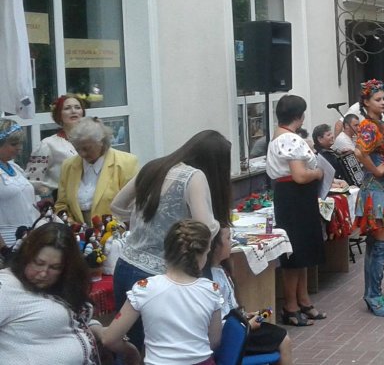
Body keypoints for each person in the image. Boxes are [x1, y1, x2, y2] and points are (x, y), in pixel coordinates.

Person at [110, 130, 232, 349]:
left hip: (126, 265)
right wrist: (217, 225)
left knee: (131, 344)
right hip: (160, 274)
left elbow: (117, 206)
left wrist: (143, 221)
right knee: (162, 346)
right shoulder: (195, 176)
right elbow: (205, 227)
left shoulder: (153, 167)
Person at [0, 222, 139, 364]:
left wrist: (100, 331)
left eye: (55, 267)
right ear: (26, 256)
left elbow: (73, 321)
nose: (43, 273)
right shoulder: (6, 285)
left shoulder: (61, 285)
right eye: (38, 263)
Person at [100, 219, 223, 365]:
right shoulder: (211, 290)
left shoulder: (144, 289)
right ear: (201, 255)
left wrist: (131, 351)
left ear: (166, 251)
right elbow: (214, 340)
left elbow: (109, 339)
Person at [267, 95, 327, 326]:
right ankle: (290, 306)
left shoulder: (280, 136)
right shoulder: (289, 138)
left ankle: (304, 300)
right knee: (294, 254)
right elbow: (300, 175)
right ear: (299, 116)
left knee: (302, 253)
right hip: (294, 198)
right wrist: (318, 173)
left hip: (295, 198)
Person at [208, 227, 293, 363]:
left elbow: (228, 308)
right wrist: (247, 324)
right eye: (228, 238)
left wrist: (245, 316)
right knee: (284, 339)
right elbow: (219, 320)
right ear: (215, 246)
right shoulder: (212, 279)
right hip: (230, 336)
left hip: (237, 328)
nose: (232, 242)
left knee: (279, 334)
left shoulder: (221, 270)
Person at [354, 79, 384, 317]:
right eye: (377, 99)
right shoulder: (369, 126)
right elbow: (359, 152)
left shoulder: (378, 124)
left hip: (382, 189)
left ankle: (375, 293)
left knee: (377, 246)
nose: (382, 103)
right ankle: (373, 295)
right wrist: (376, 170)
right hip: (376, 191)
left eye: (383, 99)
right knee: (381, 245)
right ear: (366, 102)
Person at [55, 117, 138, 225]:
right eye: (77, 148)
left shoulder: (127, 163)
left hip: (116, 231)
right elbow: (61, 204)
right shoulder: (68, 166)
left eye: (87, 149)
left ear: (102, 143)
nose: (82, 154)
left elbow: (133, 206)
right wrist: (71, 224)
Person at [25, 95, 85, 200]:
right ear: (59, 115)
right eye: (67, 108)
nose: (73, 111)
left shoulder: (92, 140)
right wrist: (49, 194)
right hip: (63, 203)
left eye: (77, 107)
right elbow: (32, 180)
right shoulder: (48, 144)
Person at [0, 119, 38, 250]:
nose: (19, 148)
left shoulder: (15, 167)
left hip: (30, 238)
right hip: (7, 243)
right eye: (13, 144)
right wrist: (3, 249)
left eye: (21, 143)